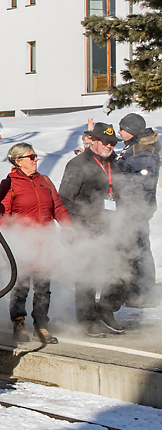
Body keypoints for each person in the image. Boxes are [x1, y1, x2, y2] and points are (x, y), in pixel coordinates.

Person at [0, 143, 70, 344]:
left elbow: (58, 207)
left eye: (35, 156)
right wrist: (7, 240)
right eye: (31, 157)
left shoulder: (44, 180)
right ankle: (18, 322)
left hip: (45, 242)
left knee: (43, 287)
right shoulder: (10, 183)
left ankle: (41, 325)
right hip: (23, 243)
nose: (36, 160)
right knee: (21, 287)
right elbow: (2, 215)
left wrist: (68, 227)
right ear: (18, 161)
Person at [59, 121, 124, 337]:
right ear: (93, 141)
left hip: (112, 227)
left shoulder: (113, 163)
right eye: (105, 142)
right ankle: (87, 319)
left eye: (113, 142)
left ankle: (105, 310)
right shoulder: (78, 164)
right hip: (86, 228)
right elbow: (65, 198)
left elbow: (120, 193)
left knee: (116, 272)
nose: (109, 146)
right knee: (87, 275)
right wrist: (75, 228)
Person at [118, 113, 159, 307]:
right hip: (133, 208)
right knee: (135, 249)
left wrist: (131, 204)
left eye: (122, 128)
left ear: (131, 130)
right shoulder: (134, 147)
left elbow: (144, 183)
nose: (119, 131)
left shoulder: (142, 151)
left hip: (136, 210)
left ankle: (144, 294)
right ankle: (135, 292)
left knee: (140, 251)